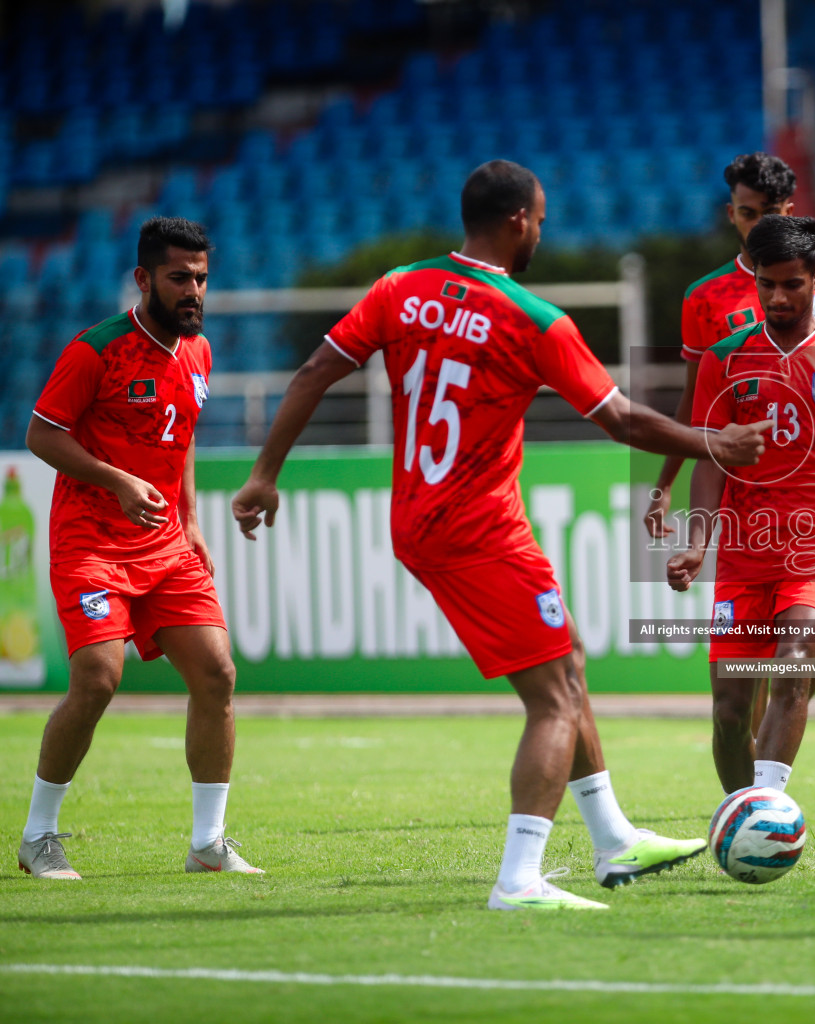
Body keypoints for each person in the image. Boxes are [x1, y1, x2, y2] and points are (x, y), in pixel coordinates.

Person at [230, 160, 768, 911]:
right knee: (555, 696)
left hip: (417, 516)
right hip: (477, 526)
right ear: (519, 220)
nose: (542, 231)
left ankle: (612, 839)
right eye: (542, 219)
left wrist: (263, 475)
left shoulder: (400, 288)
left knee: (567, 659)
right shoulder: (533, 319)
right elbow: (620, 420)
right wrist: (715, 442)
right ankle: (519, 878)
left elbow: (316, 370)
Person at [18, 216, 260, 880]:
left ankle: (208, 843)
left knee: (217, 674)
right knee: (98, 678)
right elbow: (41, 435)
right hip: (91, 540)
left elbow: (176, 441)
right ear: (143, 278)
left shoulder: (199, 352)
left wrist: (192, 520)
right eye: (180, 278)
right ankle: (39, 836)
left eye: (202, 279)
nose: (194, 292)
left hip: (166, 544)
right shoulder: (96, 350)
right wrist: (117, 480)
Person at [666, 215, 815, 796]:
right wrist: (697, 544)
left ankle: (765, 812)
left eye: (791, 284)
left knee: (791, 668)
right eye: (766, 284)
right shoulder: (725, 360)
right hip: (744, 560)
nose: (777, 296)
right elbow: (709, 457)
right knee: (728, 712)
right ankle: (742, 815)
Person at [644, 152, 815, 537]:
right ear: (731, 214)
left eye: (771, 212)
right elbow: (695, 400)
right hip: (744, 484)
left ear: (790, 210)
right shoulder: (704, 297)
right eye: (748, 213)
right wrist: (664, 485)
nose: (760, 224)